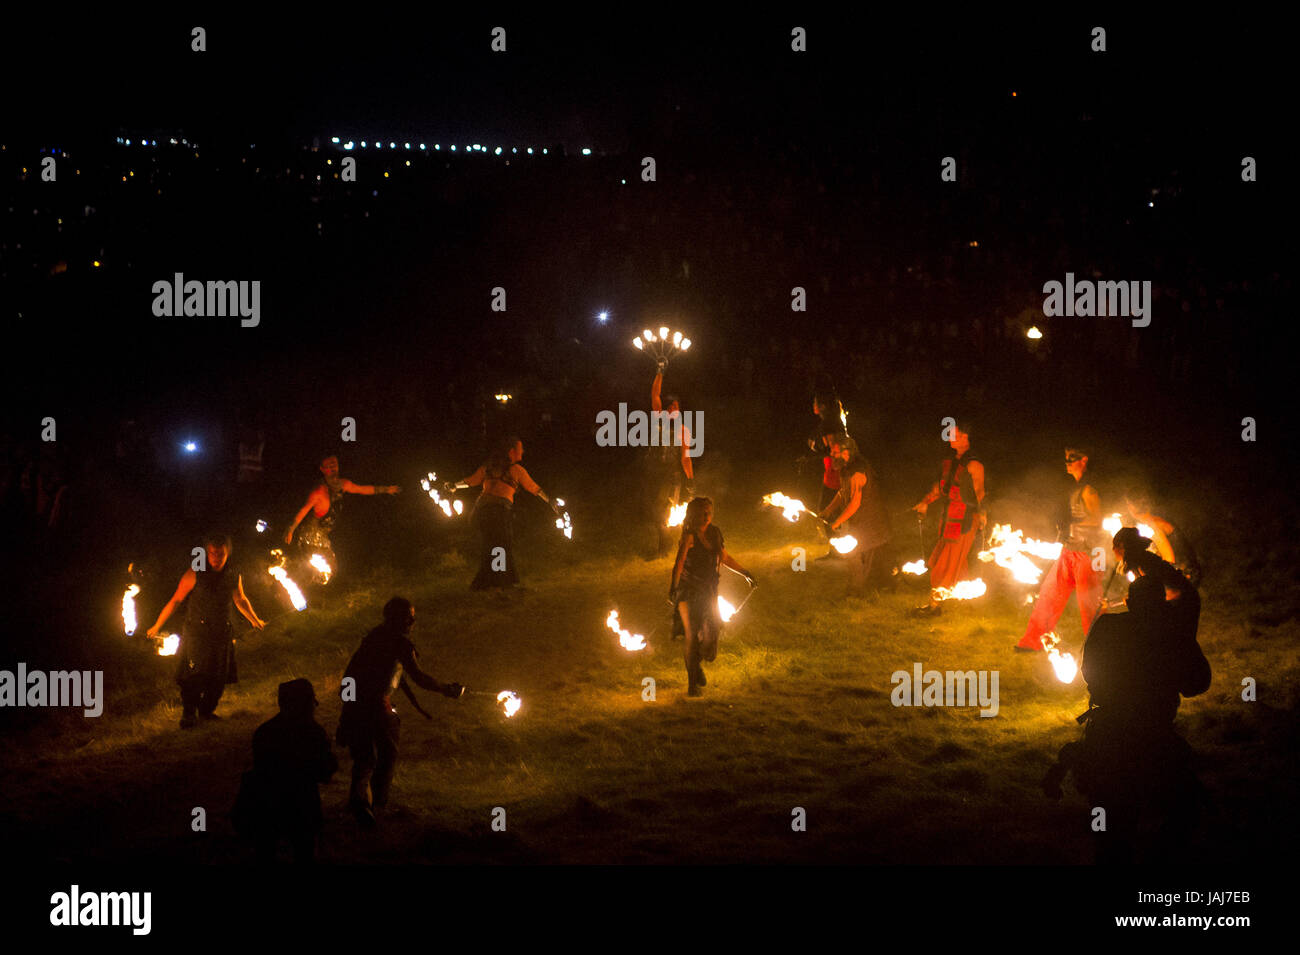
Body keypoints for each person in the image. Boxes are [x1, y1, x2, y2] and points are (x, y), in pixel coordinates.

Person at [1041, 558, 1211, 863]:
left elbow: (1090, 672)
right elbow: (1198, 683)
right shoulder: (1173, 634)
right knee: (1186, 810)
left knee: (1111, 827)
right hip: (1153, 734)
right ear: (1161, 603)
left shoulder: (1107, 627)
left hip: (1108, 733)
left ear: (1130, 602)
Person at [336, 598, 463, 827]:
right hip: (376, 708)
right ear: (395, 618)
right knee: (385, 757)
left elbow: (349, 676)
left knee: (364, 759)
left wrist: (348, 709)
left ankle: (359, 803)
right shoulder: (400, 644)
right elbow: (419, 677)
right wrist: (447, 689)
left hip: (358, 706)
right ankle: (375, 807)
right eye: (408, 617)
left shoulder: (373, 637)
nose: (413, 621)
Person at [147, 533, 265, 728]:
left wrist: (254, 619)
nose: (216, 558)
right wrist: (157, 625)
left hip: (221, 632)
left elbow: (240, 599)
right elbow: (176, 600)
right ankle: (188, 714)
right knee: (194, 675)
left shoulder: (233, 573)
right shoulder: (196, 572)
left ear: (228, 553)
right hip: (197, 632)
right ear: (206, 553)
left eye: (221, 554)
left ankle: (206, 711)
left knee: (218, 676)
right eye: (212, 554)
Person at [236, 678, 338, 863]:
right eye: (311, 702)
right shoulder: (313, 734)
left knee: (265, 851)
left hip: (266, 806)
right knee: (304, 851)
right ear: (305, 704)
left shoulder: (264, 732)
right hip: (302, 807)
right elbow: (323, 772)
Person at [1017, 447, 1104, 651]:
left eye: (1071, 459)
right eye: (1065, 459)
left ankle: (1101, 648)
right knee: (1049, 594)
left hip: (1088, 553)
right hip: (1070, 550)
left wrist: (1071, 525)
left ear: (1083, 460)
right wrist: (1066, 525)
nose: (1067, 463)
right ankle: (1033, 641)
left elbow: (1097, 521)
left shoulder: (1089, 490)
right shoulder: (1076, 487)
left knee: (1090, 605)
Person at [449, 435, 561, 590]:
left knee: (492, 545)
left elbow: (470, 481)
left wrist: (454, 486)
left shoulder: (489, 466)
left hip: (481, 511)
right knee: (501, 546)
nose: (523, 452)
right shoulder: (516, 470)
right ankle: (501, 582)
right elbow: (535, 488)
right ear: (511, 451)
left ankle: (488, 582)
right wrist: (549, 501)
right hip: (498, 512)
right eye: (520, 449)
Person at [670, 497, 754, 696]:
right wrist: (673, 589)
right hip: (689, 590)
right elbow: (679, 562)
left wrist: (746, 573)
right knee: (692, 634)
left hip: (709, 592)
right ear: (693, 515)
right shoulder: (690, 536)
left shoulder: (715, 533)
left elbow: (723, 557)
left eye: (709, 512)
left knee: (711, 643)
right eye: (702, 512)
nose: (706, 516)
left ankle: (696, 663)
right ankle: (692, 686)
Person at [910, 420, 985, 615]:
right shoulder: (951, 461)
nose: (949, 436)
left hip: (964, 521)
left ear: (964, 437)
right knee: (953, 563)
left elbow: (979, 495)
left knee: (944, 565)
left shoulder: (974, 464)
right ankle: (969, 601)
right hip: (950, 518)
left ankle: (934, 606)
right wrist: (926, 501)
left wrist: (981, 516)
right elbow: (943, 488)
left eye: (953, 433)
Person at [284, 454, 400, 574]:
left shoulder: (343, 484)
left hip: (324, 534)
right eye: (329, 465)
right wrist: (291, 529)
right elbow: (303, 510)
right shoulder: (319, 491)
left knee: (329, 570)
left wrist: (386, 489)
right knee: (320, 570)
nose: (333, 467)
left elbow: (362, 489)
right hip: (310, 536)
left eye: (335, 464)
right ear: (322, 469)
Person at [821, 432, 891, 597]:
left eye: (835, 452)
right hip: (859, 521)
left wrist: (838, 521)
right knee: (863, 557)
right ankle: (875, 586)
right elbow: (842, 492)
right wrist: (828, 509)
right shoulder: (846, 467)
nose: (831, 454)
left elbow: (855, 503)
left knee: (855, 555)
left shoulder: (857, 472)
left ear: (846, 452)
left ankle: (856, 592)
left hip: (870, 521)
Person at [1109, 526, 1201, 649]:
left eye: (1115, 545)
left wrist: (1143, 602)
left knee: (1182, 645)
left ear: (1123, 546)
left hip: (1185, 602)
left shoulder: (1145, 564)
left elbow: (1172, 591)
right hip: (1178, 603)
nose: (1113, 549)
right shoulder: (1140, 563)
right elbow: (1150, 591)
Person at [648, 361, 695, 556]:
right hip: (654, 473)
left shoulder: (683, 430)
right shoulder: (659, 420)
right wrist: (660, 372)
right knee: (655, 511)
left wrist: (690, 480)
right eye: (671, 406)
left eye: (677, 407)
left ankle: (667, 546)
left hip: (672, 476)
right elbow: (655, 394)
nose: (674, 410)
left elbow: (686, 458)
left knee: (666, 509)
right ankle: (665, 543)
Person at [1123, 490, 1202, 587]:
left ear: (1133, 507)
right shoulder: (1150, 521)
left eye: (1128, 504)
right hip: (1179, 572)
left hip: (1185, 575)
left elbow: (1169, 560)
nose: (1127, 508)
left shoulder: (1154, 526)